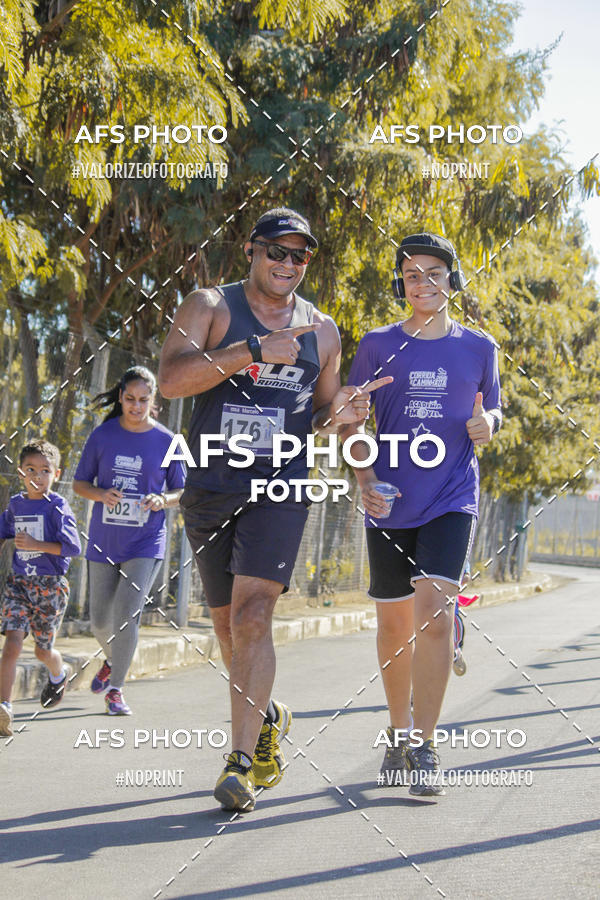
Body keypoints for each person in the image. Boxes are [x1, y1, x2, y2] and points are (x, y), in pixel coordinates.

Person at [159, 207, 389, 812]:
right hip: (211, 485)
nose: (288, 264)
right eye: (276, 252)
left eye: (300, 256)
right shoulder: (209, 306)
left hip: (281, 485)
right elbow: (171, 381)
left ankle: (239, 763)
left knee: (255, 613)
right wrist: (253, 349)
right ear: (252, 250)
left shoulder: (324, 331)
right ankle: (267, 718)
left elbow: (323, 414)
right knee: (228, 629)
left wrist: (352, 442)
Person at [341, 232, 501, 796]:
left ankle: (426, 746)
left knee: (432, 612)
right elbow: (350, 421)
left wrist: (490, 425)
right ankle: (398, 731)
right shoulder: (377, 344)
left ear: (451, 279)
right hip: (390, 499)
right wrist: (363, 477)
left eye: (434, 272)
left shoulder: (479, 348)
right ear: (400, 284)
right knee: (394, 625)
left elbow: (493, 409)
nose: (423, 283)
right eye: (412, 275)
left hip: (452, 495)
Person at [73, 366, 185, 715]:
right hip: (105, 539)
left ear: (154, 402)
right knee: (99, 622)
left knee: (126, 614)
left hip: (145, 540)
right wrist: (101, 493)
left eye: (144, 400)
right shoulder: (102, 436)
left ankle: (116, 689)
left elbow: (183, 489)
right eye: (130, 399)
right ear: (121, 397)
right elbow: (80, 484)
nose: (136, 406)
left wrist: (161, 500)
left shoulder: (168, 441)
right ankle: (113, 660)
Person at [0, 440, 81, 737]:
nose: (37, 476)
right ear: (21, 472)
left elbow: (73, 546)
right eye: (31, 469)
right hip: (19, 584)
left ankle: (58, 673)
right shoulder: (16, 504)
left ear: (56, 474)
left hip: (51, 587)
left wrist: (37, 545)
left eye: (45, 470)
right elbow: (3, 531)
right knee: (12, 643)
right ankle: (4, 707)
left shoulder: (57, 506)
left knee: (42, 651)